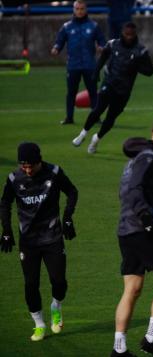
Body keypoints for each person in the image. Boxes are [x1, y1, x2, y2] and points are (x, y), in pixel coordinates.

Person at [111, 118, 153, 357]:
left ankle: (119, 349)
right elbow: (134, 188)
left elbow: (123, 189)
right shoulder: (150, 158)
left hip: (125, 230)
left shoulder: (137, 158)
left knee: (133, 288)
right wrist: (146, 217)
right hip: (142, 229)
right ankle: (151, 339)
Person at [1, 142, 78, 342]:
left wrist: (68, 218)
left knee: (59, 281)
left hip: (52, 237)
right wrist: (7, 230)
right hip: (28, 241)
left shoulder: (54, 172)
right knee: (30, 284)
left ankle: (56, 306)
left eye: (31, 166)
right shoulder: (13, 178)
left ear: (40, 160)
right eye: (23, 166)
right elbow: (5, 203)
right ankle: (39, 324)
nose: (27, 170)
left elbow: (72, 191)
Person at [72, 22, 153, 154]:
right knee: (97, 109)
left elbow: (150, 71)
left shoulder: (141, 50)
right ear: (122, 33)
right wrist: (96, 73)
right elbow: (103, 57)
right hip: (109, 83)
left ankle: (96, 139)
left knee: (110, 119)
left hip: (124, 90)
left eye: (131, 35)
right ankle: (82, 134)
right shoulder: (112, 44)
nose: (129, 37)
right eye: (126, 34)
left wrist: (137, 66)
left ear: (135, 35)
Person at [51, 0, 105, 124]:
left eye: (82, 9)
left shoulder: (94, 26)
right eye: (77, 9)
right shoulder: (66, 27)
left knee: (93, 92)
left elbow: (102, 42)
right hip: (73, 65)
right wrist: (56, 49)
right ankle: (69, 118)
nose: (79, 11)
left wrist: (101, 47)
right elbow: (59, 42)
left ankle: (95, 117)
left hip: (89, 65)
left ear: (86, 10)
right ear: (73, 10)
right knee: (71, 92)